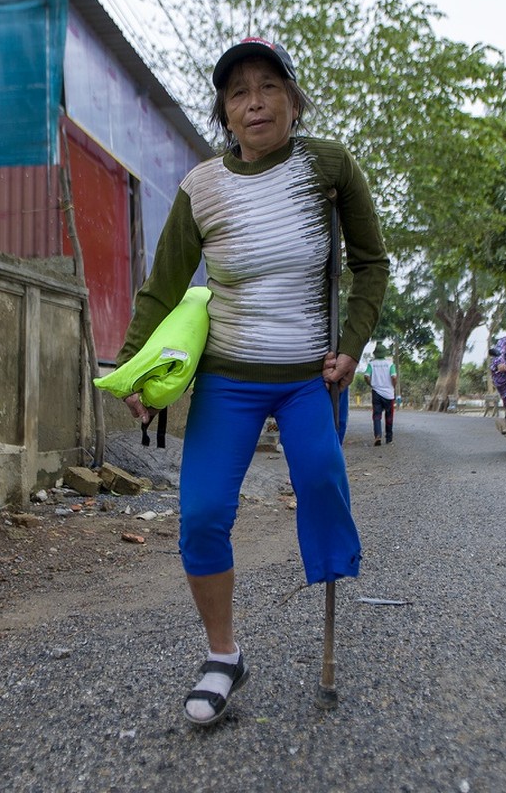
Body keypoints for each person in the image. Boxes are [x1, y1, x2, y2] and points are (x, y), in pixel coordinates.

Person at [110, 37, 389, 726]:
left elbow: (371, 264)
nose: (255, 102)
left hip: (306, 380)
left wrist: (350, 347)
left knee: (322, 482)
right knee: (202, 513)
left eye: (269, 87)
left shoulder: (328, 166)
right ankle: (222, 654)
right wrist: (134, 369)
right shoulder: (201, 188)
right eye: (238, 93)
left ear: (293, 102)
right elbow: (162, 285)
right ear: (225, 115)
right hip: (228, 379)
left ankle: (328, 581)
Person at [362, 344, 397, 445]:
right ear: (385, 353)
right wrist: (393, 386)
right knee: (389, 416)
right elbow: (394, 377)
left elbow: (366, 376)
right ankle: (389, 438)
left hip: (376, 392)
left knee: (377, 415)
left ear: (375, 354)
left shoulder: (371, 364)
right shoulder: (390, 364)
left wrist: (371, 384)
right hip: (389, 394)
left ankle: (378, 436)